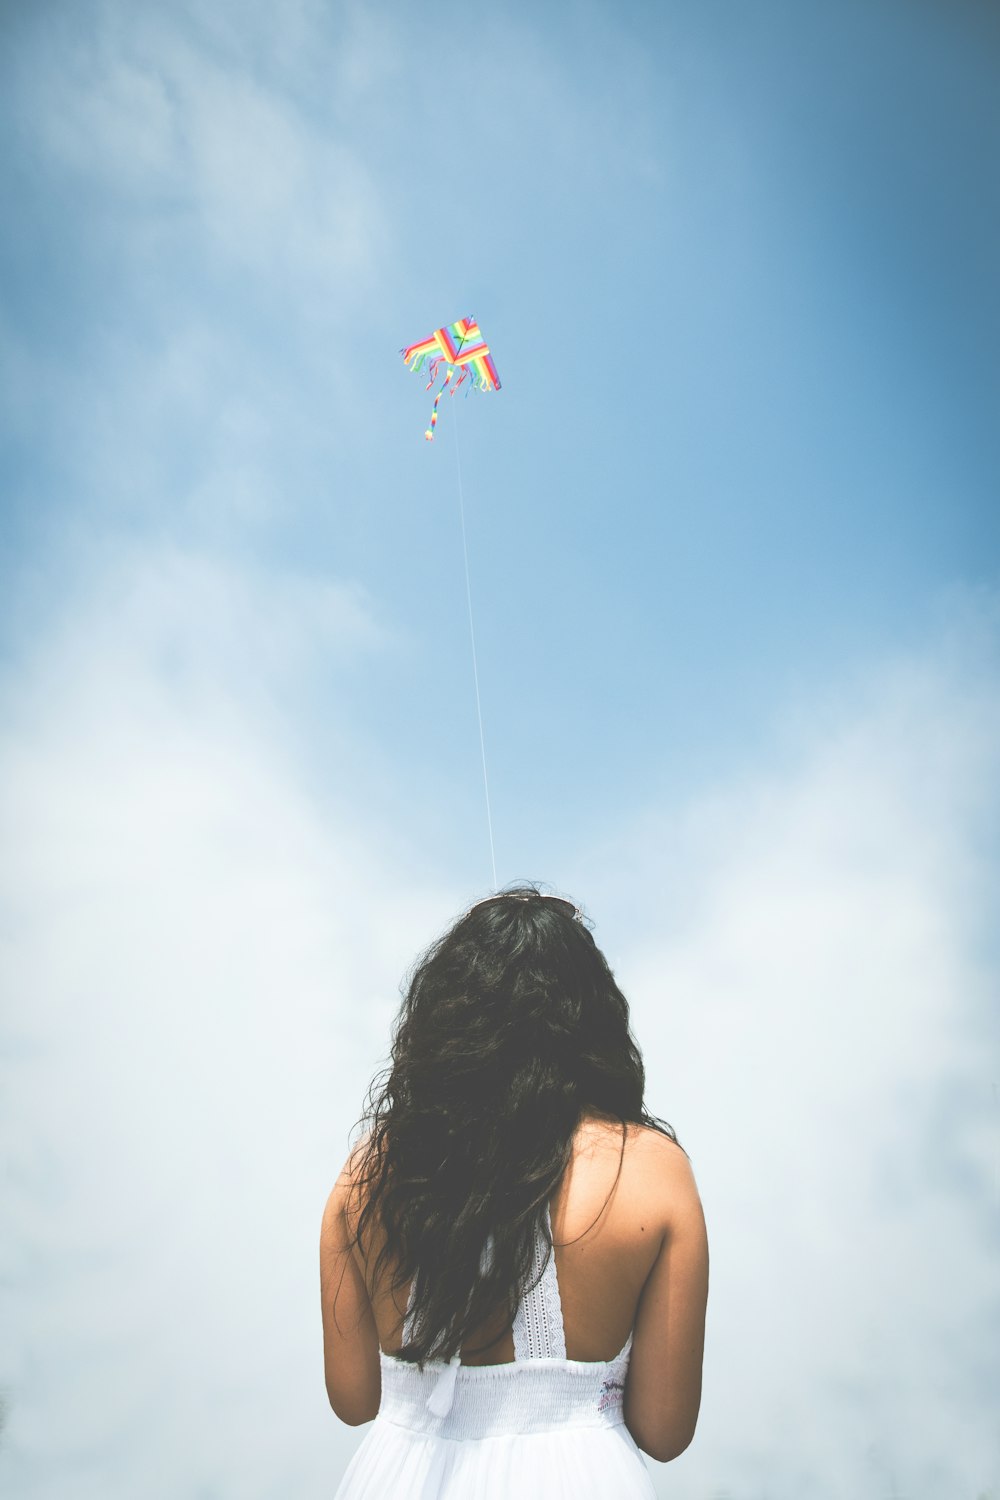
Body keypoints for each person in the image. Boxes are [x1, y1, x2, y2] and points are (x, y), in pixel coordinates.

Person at [320, 885, 709, 1497]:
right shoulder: (651, 1169)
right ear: (592, 1018)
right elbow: (664, 1431)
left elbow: (352, 1400)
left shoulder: (368, 1172)